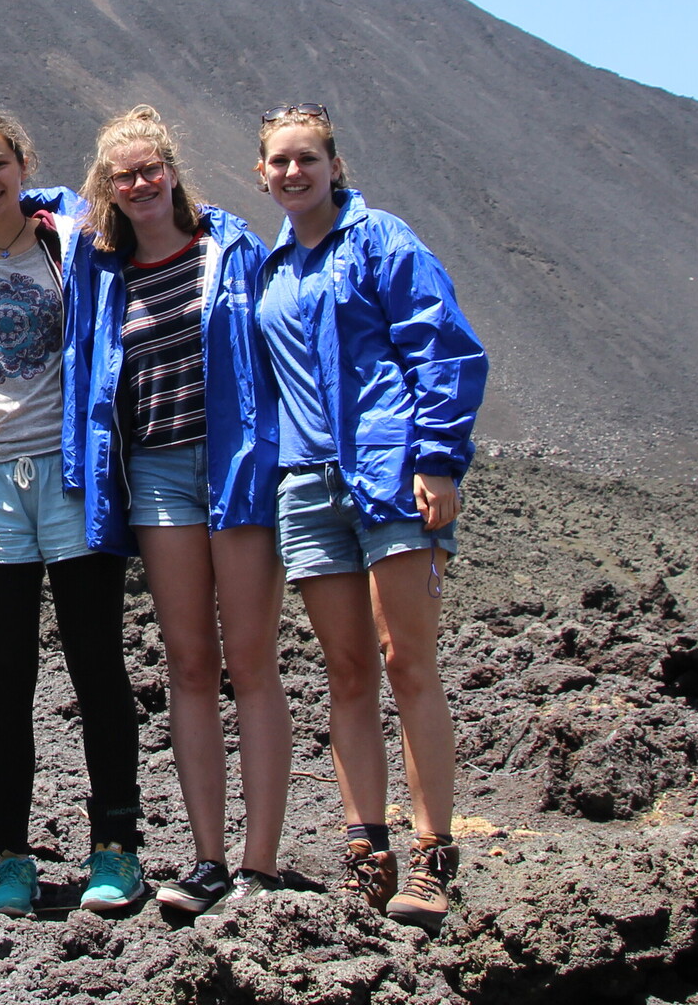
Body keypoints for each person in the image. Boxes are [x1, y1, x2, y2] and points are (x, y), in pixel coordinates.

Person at [252, 102, 486, 932]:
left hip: (391, 479)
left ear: (334, 164)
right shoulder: (268, 268)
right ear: (262, 172)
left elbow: (444, 348)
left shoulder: (381, 240)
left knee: (406, 659)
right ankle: (365, 852)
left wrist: (437, 459)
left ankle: (431, 855)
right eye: (279, 161)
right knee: (346, 672)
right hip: (306, 490)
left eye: (306, 158)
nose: (293, 172)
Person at [0, 107, 146, 918]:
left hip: (73, 477)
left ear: (22, 163)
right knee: (5, 677)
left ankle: (116, 847)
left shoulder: (73, 242)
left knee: (96, 661)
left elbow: (159, 227)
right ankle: (12, 856)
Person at [67, 106, 287, 916]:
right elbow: (28, 204)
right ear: (109, 189)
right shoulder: (104, 271)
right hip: (158, 475)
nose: (140, 183)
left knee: (252, 662)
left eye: (150, 169)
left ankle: (260, 862)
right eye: (123, 176)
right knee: (190, 664)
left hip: (233, 466)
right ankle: (208, 860)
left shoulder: (231, 252)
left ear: (171, 170)